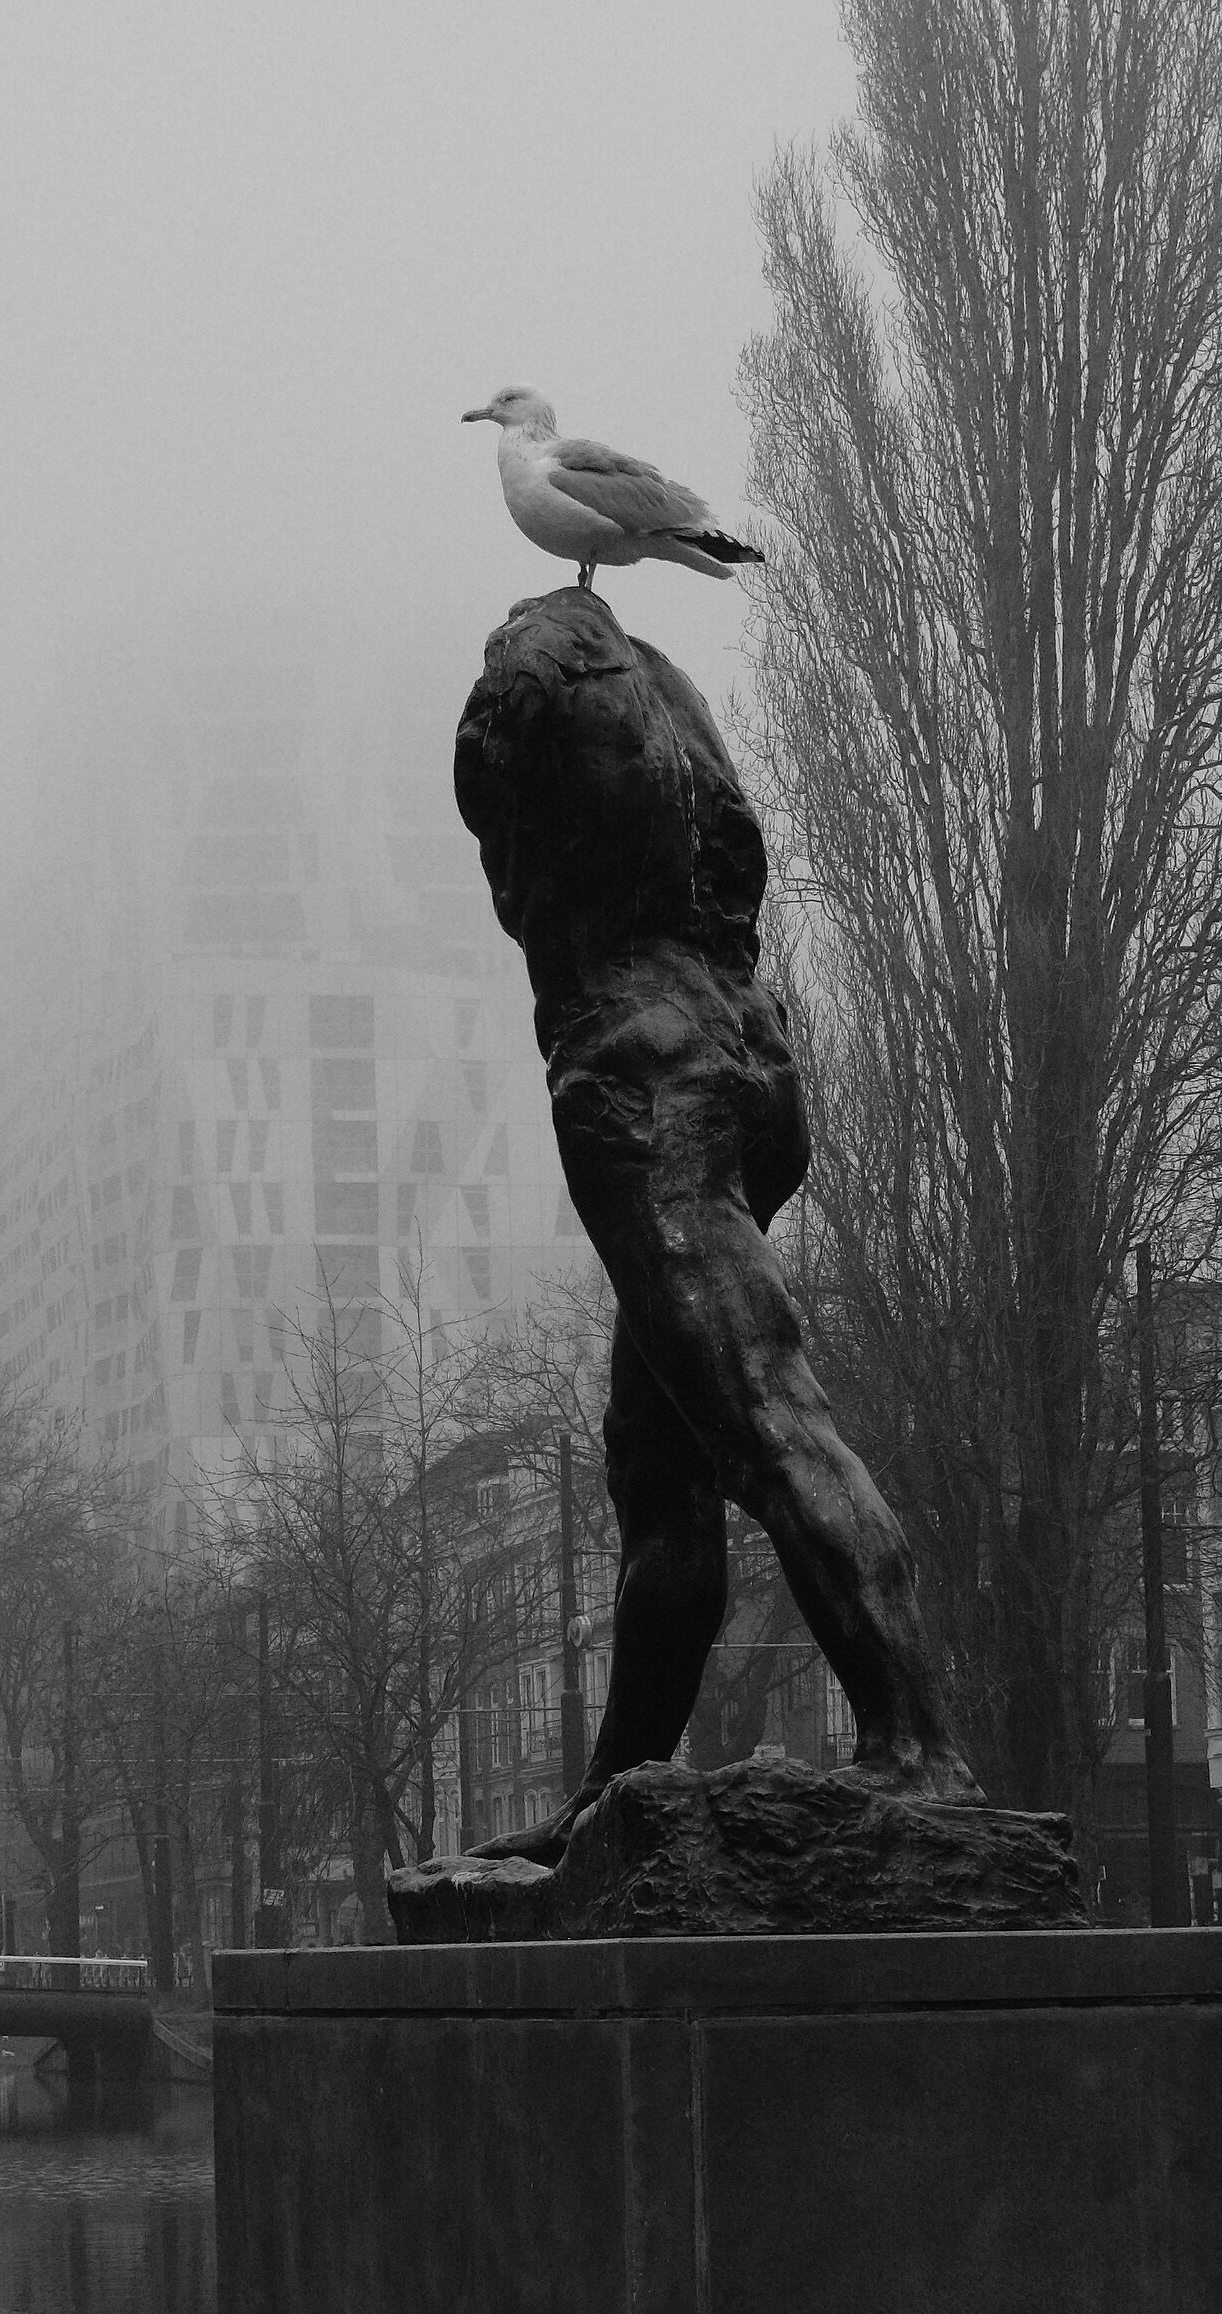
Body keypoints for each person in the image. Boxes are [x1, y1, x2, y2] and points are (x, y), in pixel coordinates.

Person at [454, 589, 979, 1862]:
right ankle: (615, 1791)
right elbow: (735, 851)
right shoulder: (665, 691)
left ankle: (916, 1744)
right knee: (657, 1454)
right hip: (744, 1044)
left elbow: (513, 851)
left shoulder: (525, 713)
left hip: (636, 1073)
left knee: (756, 1411)